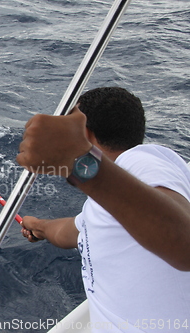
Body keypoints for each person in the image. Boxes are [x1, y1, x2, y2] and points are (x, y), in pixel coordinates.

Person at [16, 87, 190, 332]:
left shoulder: (141, 161)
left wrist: (78, 162)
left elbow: (185, 243)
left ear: (85, 133)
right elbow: (73, 231)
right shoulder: (118, 203)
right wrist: (37, 226)